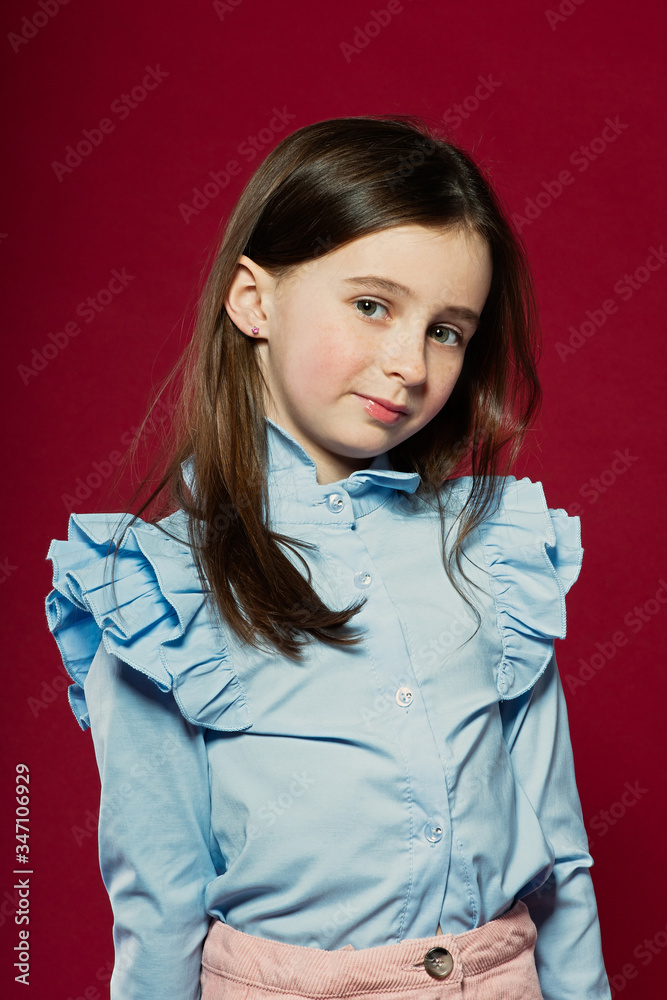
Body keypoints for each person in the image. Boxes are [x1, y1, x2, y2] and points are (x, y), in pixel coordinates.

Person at [44, 114, 611, 1000]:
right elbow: (157, 902)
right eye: (373, 305)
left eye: (447, 331)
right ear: (253, 300)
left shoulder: (488, 551)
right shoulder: (156, 589)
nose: (409, 365)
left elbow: (559, 854)